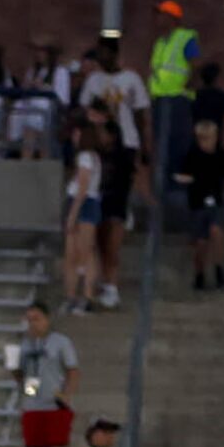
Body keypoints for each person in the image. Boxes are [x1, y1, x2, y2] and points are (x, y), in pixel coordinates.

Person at [80, 37, 150, 305]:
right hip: (100, 147)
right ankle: (97, 279)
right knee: (98, 216)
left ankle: (111, 283)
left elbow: (142, 115)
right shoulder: (94, 81)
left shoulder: (131, 79)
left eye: (106, 53)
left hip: (126, 145)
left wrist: (145, 148)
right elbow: (82, 110)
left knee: (114, 215)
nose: (102, 58)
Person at [12, 302, 80, 447]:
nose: (33, 324)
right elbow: (23, 375)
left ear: (46, 319)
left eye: (37, 319)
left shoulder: (60, 342)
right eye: (29, 320)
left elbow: (72, 370)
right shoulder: (24, 345)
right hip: (34, 402)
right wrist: (19, 377)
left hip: (55, 402)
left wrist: (67, 394)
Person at [174, 114, 224, 292]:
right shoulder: (192, 155)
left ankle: (219, 268)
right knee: (200, 243)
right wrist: (186, 179)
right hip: (197, 202)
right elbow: (183, 175)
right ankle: (199, 273)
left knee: (216, 231)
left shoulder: (222, 155)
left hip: (216, 201)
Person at [60, 120, 104, 310]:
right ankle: (76, 295)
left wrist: (73, 214)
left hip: (83, 203)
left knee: (82, 253)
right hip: (84, 202)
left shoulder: (86, 156)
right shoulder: (91, 157)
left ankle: (84, 295)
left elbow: (83, 186)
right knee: (78, 254)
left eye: (77, 134)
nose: (74, 137)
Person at [148, 0, 198, 161]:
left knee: (174, 141)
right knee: (161, 142)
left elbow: (195, 63)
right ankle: (165, 182)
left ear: (172, 18)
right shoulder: (160, 42)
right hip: (160, 97)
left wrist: (188, 83)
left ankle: (175, 182)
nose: (158, 19)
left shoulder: (184, 37)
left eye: (162, 15)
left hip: (176, 96)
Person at [8, 41, 62, 159]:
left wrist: (42, 86)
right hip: (31, 111)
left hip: (48, 113)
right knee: (28, 140)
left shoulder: (60, 72)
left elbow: (62, 97)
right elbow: (24, 92)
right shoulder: (32, 72)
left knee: (44, 147)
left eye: (42, 52)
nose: (39, 55)